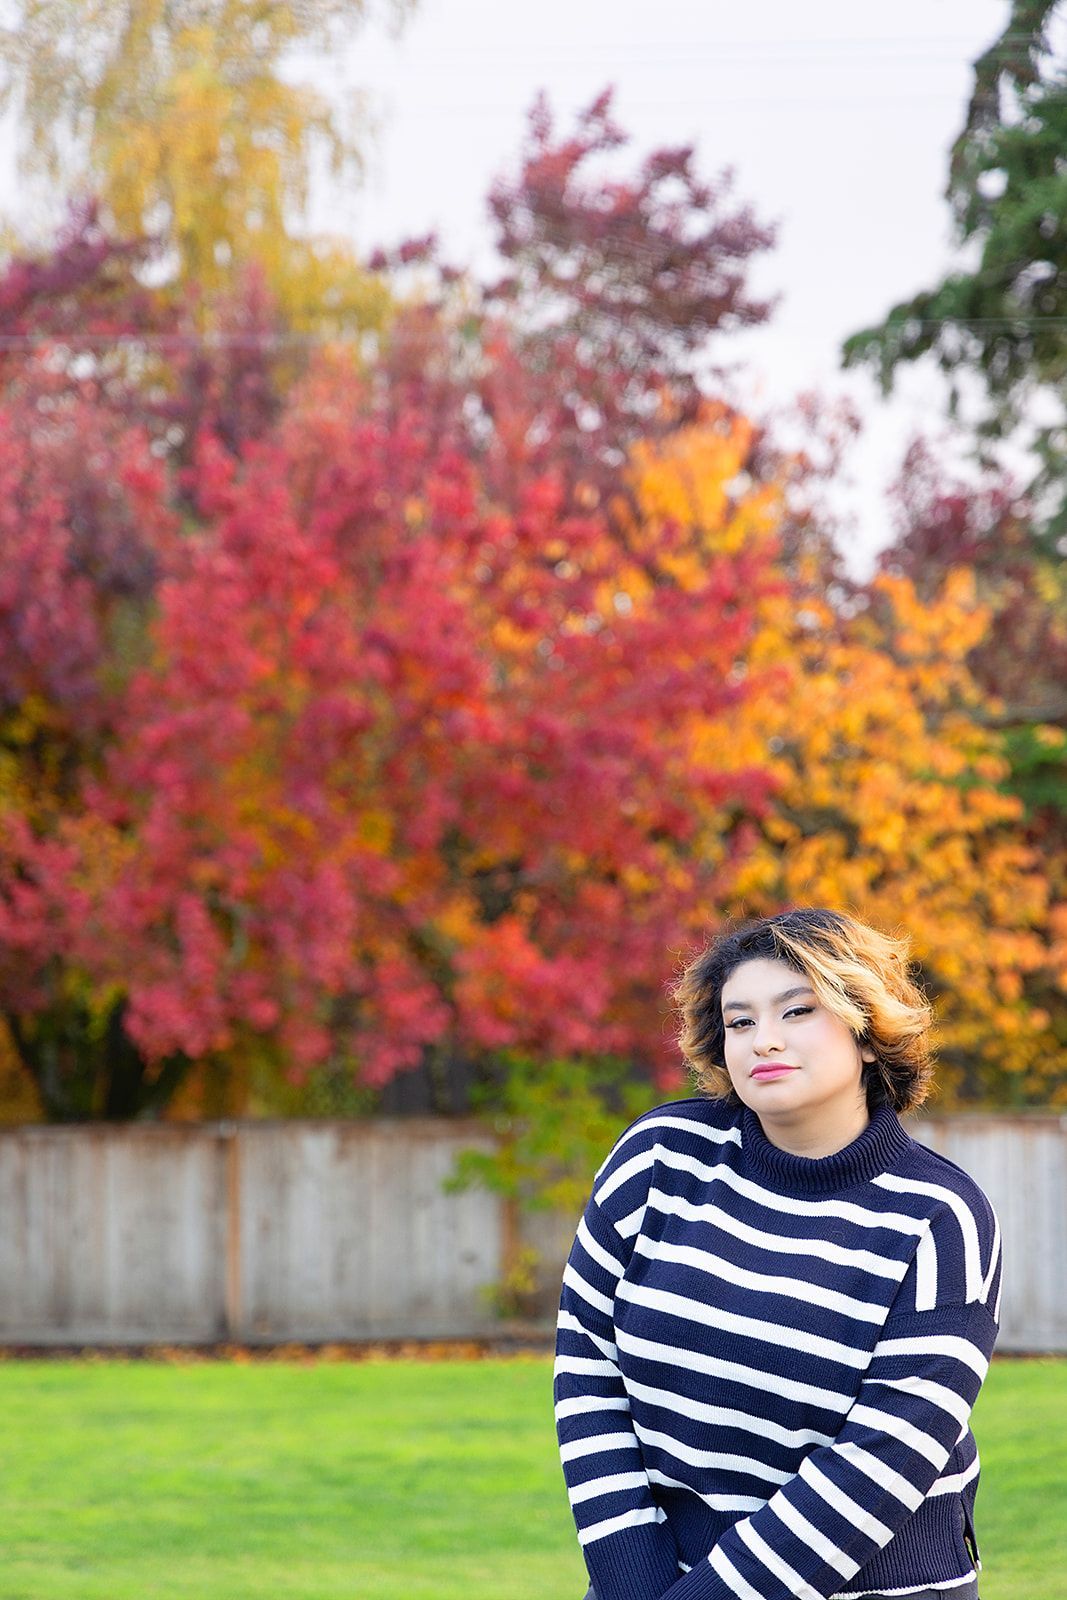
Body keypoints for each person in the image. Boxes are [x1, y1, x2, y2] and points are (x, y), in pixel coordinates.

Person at [555, 908, 1000, 1600]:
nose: (763, 1039)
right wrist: (630, 1583)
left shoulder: (940, 1217)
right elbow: (587, 1365)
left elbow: (880, 1463)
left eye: (796, 1011)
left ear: (866, 1033)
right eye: (740, 1022)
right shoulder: (657, 1158)